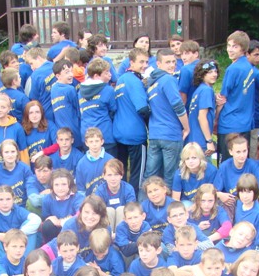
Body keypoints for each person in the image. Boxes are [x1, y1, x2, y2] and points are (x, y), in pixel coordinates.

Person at [143, 48, 190, 187]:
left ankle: (144, 199)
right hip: (171, 134)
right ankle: (169, 200)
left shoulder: (151, 83)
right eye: (167, 62)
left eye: (174, 62)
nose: (172, 65)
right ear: (158, 63)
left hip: (155, 134)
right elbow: (178, 105)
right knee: (170, 176)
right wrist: (186, 128)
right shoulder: (168, 79)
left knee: (150, 175)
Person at [114, 47, 150, 192]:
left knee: (121, 172)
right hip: (135, 134)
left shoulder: (121, 79)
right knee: (137, 174)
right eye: (141, 62)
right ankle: (134, 200)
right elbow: (142, 108)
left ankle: (122, 198)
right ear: (131, 62)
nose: (144, 65)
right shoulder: (134, 81)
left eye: (146, 62)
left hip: (119, 132)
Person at [215, 31, 255, 163]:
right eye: (229, 45)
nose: (230, 49)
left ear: (243, 49)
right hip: (245, 123)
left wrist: (215, 119)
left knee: (226, 164)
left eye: (235, 46)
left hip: (229, 123)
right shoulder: (249, 67)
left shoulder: (233, 69)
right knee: (242, 162)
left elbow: (222, 98)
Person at [79, 58, 117, 156]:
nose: (110, 74)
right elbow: (113, 110)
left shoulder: (80, 91)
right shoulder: (108, 90)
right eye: (106, 72)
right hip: (105, 135)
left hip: (87, 136)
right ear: (96, 76)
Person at [51, 59, 82, 148]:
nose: (71, 75)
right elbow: (78, 110)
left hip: (61, 131)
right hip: (74, 131)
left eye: (71, 71)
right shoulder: (70, 89)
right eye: (67, 72)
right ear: (58, 76)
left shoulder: (53, 88)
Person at [76, 128, 115, 196]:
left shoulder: (110, 160)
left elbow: (115, 183)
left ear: (102, 141)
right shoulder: (81, 164)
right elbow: (81, 190)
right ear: (86, 143)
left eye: (97, 141)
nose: (94, 144)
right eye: (91, 141)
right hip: (89, 199)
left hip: (108, 198)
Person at [26, 47, 56, 121]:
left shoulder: (36, 75)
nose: (32, 67)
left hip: (47, 114)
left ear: (38, 58)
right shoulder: (56, 66)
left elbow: (34, 99)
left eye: (31, 63)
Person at [178, 40, 201, 108]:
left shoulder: (186, 69)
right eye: (182, 54)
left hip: (191, 108)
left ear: (196, 54)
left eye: (187, 53)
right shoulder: (206, 66)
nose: (183, 57)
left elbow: (182, 94)